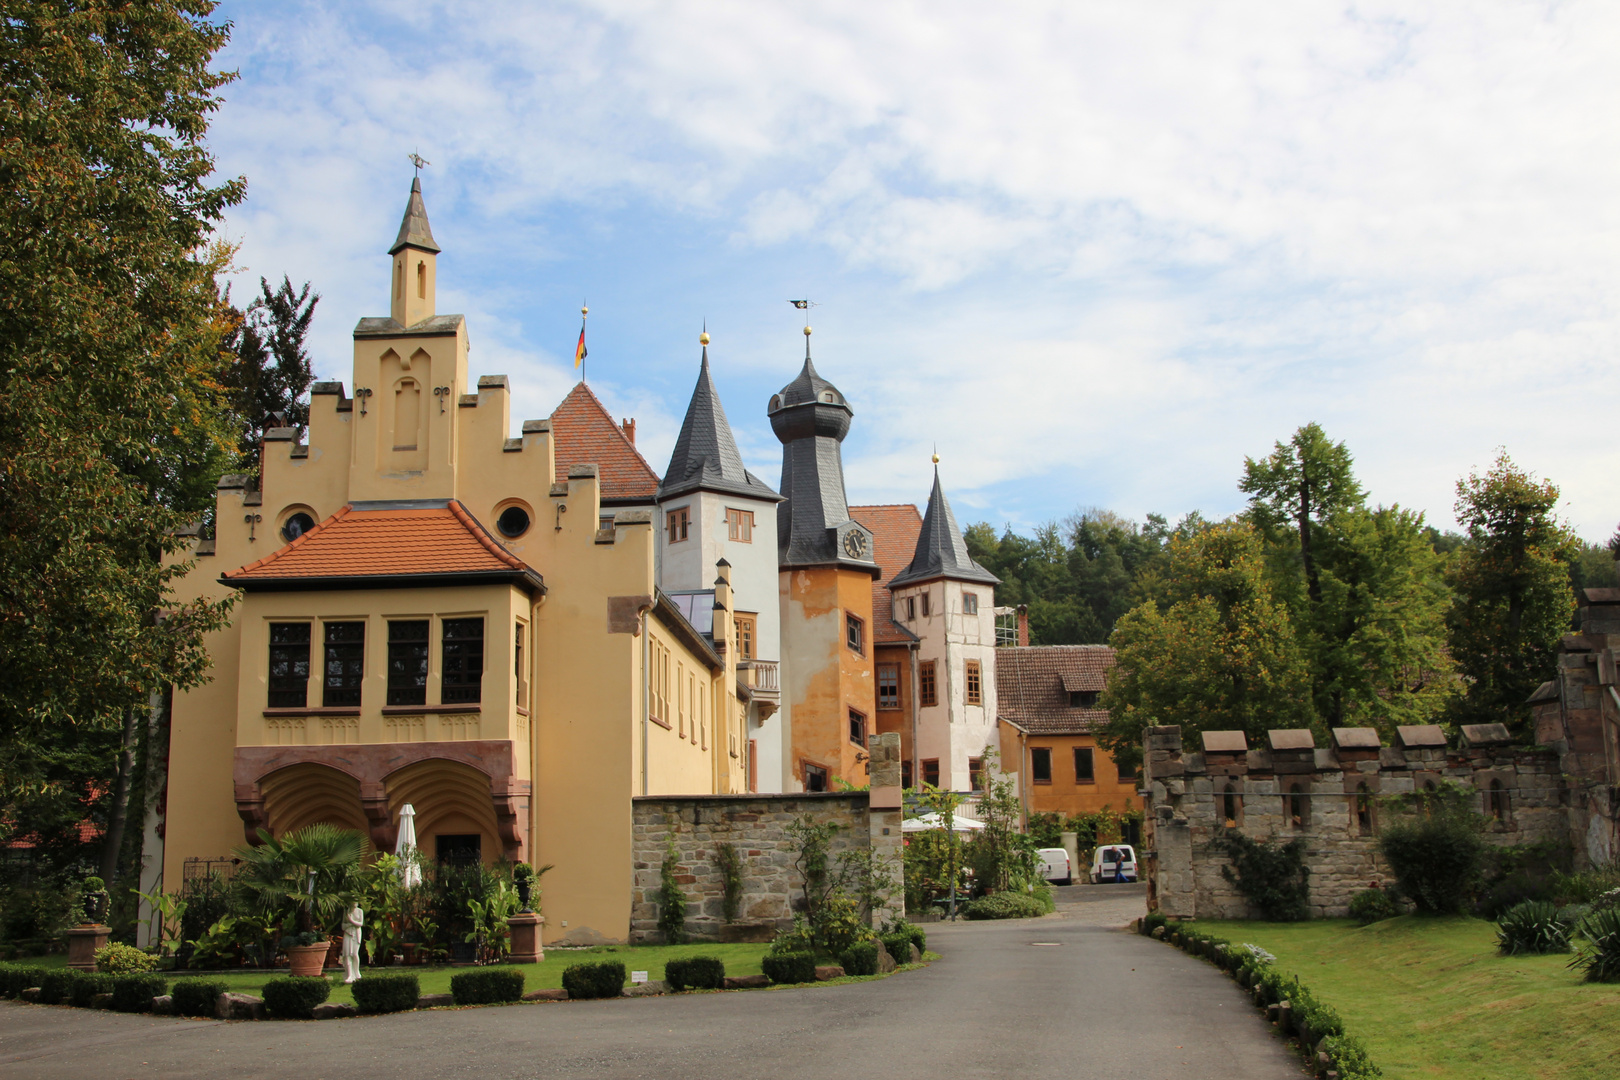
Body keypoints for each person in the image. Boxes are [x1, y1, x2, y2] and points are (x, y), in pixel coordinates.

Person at [341, 904, 364, 984]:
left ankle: (357, 972)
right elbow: (343, 926)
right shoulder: (346, 911)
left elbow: (360, 924)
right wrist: (349, 925)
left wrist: (351, 920)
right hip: (348, 932)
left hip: (356, 933)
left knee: (354, 954)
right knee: (347, 954)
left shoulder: (360, 911)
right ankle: (350, 975)